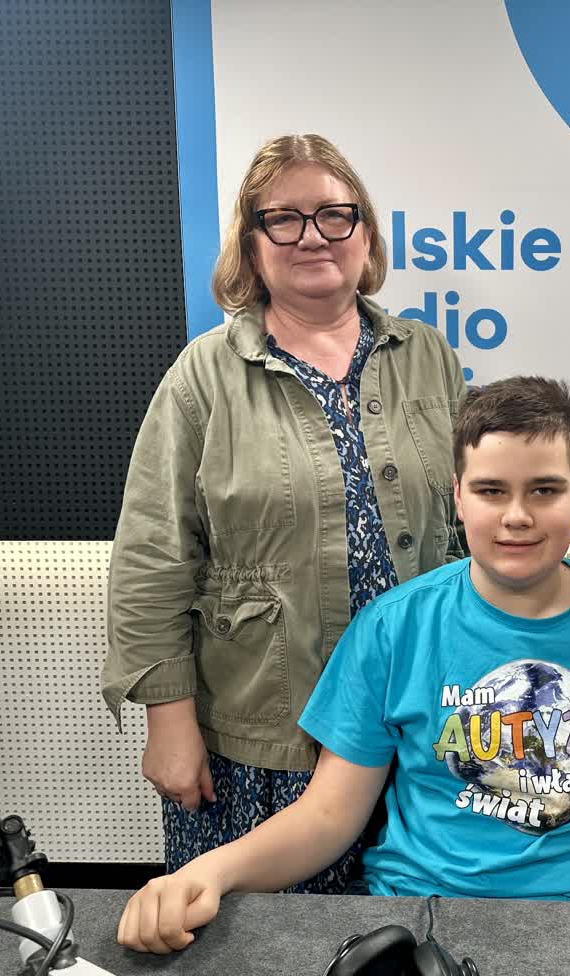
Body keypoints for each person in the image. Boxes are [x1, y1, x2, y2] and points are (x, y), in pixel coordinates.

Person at [116, 377, 570, 954]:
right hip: (417, 916)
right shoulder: (394, 627)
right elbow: (329, 815)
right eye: (491, 490)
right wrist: (210, 872)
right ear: (457, 496)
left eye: (544, 490)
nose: (517, 516)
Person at [101, 134, 466, 889]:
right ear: (251, 242)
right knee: (258, 948)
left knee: (410, 935)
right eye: (283, 219)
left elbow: (466, 530)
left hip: (417, 724)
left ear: (365, 233)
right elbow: (152, 557)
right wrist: (168, 721)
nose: (312, 237)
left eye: (334, 215)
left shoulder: (428, 356)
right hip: (265, 742)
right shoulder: (204, 376)